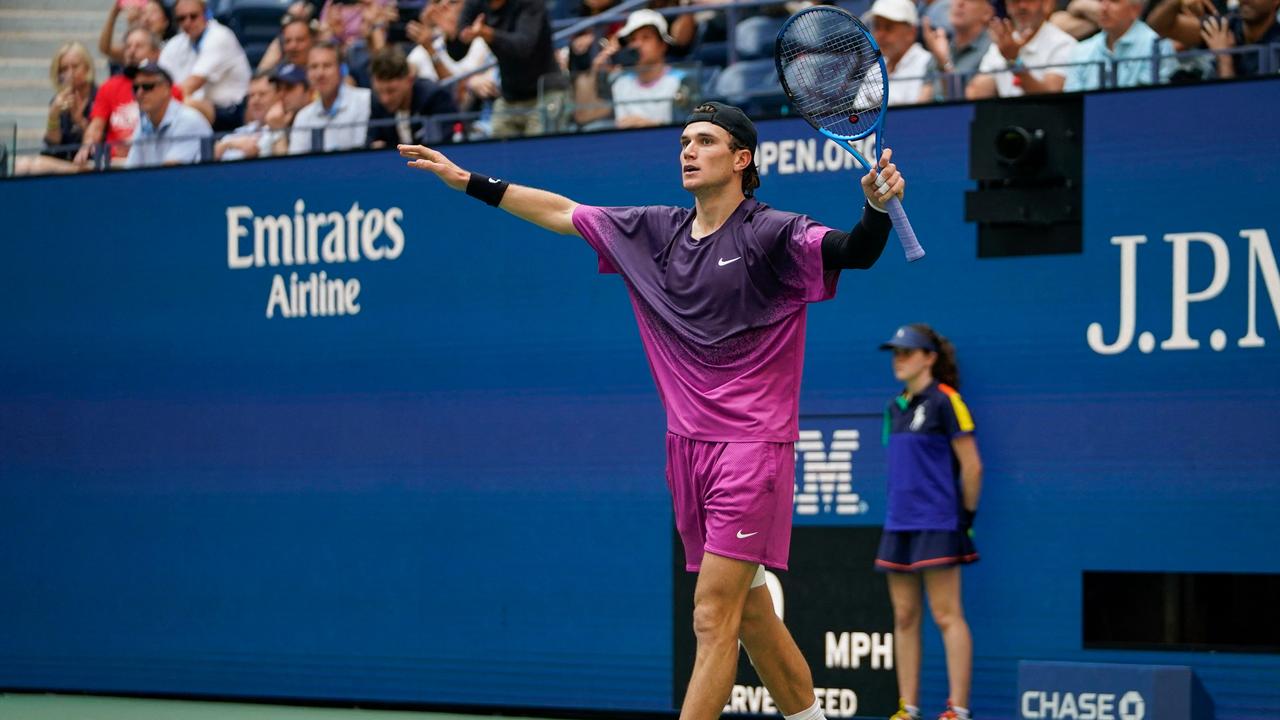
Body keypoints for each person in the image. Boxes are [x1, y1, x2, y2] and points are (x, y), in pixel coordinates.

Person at [397, 101, 906, 720]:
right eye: (685, 140)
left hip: (751, 449)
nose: (688, 150)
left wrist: (876, 209)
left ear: (742, 160)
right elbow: (563, 212)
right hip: (686, 451)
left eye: (706, 141)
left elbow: (854, 251)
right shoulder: (653, 231)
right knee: (750, 615)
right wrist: (468, 181)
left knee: (711, 613)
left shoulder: (771, 232)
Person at [876, 324, 982, 720]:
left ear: (929, 358)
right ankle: (908, 708)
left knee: (945, 614)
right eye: (895, 352)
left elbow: (972, 467)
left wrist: (965, 518)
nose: (899, 359)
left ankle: (958, 709)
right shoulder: (893, 407)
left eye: (907, 352)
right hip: (897, 525)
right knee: (904, 617)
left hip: (939, 523)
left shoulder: (946, 402)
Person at [440, 0, 568, 137]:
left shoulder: (531, 4)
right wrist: (452, 35)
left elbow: (523, 47)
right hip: (509, 94)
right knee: (500, 151)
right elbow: (458, 53)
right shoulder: (475, 4)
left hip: (545, 92)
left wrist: (489, 34)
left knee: (540, 153)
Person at [75, 28, 183, 168]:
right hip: (114, 164)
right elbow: (96, 126)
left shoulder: (168, 89)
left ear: (156, 53)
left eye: (138, 46)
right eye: (128, 46)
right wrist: (87, 145)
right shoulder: (109, 86)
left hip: (153, 163)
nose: (131, 51)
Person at [572, 9, 693, 129]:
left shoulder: (682, 80)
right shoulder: (619, 81)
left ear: (663, 45)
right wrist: (595, 70)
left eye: (646, 38)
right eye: (633, 40)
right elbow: (584, 116)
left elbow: (690, 131)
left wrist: (650, 126)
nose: (637, 44)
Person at [158, 0, 252, 131]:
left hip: (232, 112)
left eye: (193, 16)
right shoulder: (176, 43)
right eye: (181, 18)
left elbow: (190, 85)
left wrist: (159, 100)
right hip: (202, 111)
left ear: (206, 14)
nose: (187, 22)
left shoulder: (220, 36)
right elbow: (160, 79)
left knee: (183, 105)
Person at [14, 42, 98, 176]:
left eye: (75, 66)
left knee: (35, 165)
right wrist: (53, 114)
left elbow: (100, 142)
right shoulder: (58, 101)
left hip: (92, 164)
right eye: (64, 69)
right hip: (64, 164)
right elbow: (52, 148)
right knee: (20, 165)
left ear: (87, 68)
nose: (70, 73)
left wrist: (79, 120)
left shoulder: (100, 96)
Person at [966, 0, 1077, 97]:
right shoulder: (1002, 45)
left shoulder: (1063, 44)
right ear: (1007, 6)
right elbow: (977, 94)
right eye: (1015, 1)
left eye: (1029, 0)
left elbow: (1052, 98)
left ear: (1045, 3)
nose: (1022, 6)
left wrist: (1013, 62)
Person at [1147, 0, 1280, 79]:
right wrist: (1178, 1)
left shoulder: (1276, 44)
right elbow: (1159, 25)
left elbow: (1241, 108)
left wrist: (1224, 58)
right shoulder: (1224, 27)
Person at [1063, 0, 1174, 91]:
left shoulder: (1157, 45)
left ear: (1135, 10)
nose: (1103, 8)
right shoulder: (1081, 50)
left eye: (1114, 1)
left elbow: (1154, 99)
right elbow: (1073, 105)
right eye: (1101, 1)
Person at [124, 60, 213, 168]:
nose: (139, 93)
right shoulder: (144, 124)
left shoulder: (188, 121)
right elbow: (132, 170)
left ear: (166, 89)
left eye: (148, 87)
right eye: (136, 88)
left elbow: (169, 174)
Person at [367, 46, 459, 147]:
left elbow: (445, 145)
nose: (385, 99)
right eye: (379, 91)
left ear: (409, 80)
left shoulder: (435, 98)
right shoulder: (377, 103)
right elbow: (372, 140)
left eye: (391, 91)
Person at [290, 41, 372, 154]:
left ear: (341, 70)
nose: (320, 74)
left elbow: (362, 152)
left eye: (327, 66)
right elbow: (297, 164)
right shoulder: (303, 117)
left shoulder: (365, 100)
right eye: (313, 67)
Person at [917, 0, 993, 102]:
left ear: (987, 13)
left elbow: (964, 107)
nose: (960, 3)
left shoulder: (993, 49)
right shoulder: (941, 47)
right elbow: (922, 102)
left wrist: (944, 62)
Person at [867, 0, 933, 106]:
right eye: (877, 26)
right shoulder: (874, 70)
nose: (880, 34)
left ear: (911, 33)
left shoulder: (928, 64)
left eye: (889, 27)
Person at [215, 71, 279, 161]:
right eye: (251, 96)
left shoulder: (281, 131)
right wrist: (232, 144)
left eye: (262, 94)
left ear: (278, 96)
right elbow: (213, 153)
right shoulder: (241, 131)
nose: (255, 100)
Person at [259, 62, 313, 157]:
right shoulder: (274, 120)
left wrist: (278, 132)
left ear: (308, 92)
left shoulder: (316, 120)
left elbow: (291, 168)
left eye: (289, 88)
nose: (282, 94)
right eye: (279, 88)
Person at [98, 0, 173, 68]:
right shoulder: (132, 48)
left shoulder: (173, 48)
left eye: (153, 12)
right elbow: (105, 48)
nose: (147, 18)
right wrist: (114, 13)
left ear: (166, 21)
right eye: (144, 12)